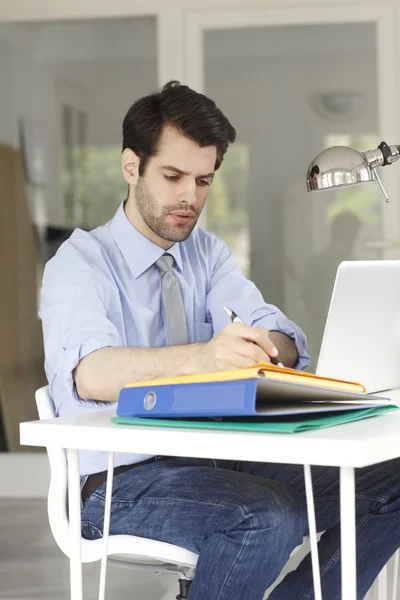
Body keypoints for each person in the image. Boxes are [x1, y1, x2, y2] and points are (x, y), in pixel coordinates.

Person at [40, 81, 400, 600]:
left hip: (213, 459)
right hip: (113, 483)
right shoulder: (79, 264)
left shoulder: (205, 254)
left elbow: (282, 337)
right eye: (173, 176)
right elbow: (92, 374)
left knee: (390, 482)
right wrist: (205, 358)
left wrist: (266, 348)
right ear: (130, 167)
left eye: (204, 180)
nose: (191, 196)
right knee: (265, 516)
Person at [302, 211, 362, 360]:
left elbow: (306, 296)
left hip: (330, 330)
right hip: (337, 329)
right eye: (354, 232)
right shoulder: (343, 260)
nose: (356, 237)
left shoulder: (322, 259)